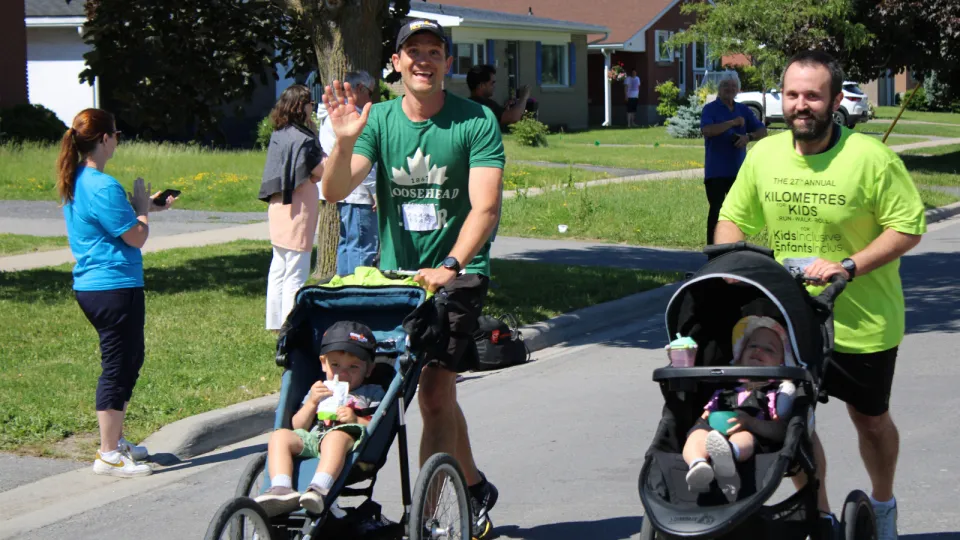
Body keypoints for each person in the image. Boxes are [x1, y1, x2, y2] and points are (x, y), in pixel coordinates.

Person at [715, 50, 927, 539]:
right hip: (788, 319)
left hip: (863, 320)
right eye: (792, 95)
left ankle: (883, 503)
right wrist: (728, 268)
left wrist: (849, 265)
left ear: (834, 101)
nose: (801, 105)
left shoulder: (871, 158)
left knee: (870, 421)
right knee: (791, 424)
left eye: (813, 95)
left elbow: (907, 227)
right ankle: (822, 517)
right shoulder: (764, 155)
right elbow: (733, 219)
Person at [319, 18, 504, 539]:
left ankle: (424, 513)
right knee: (424, 392)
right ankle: (472, 485)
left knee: (434, 393)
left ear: (447, 62)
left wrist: (449, 267)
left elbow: (485, 209)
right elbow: (335, 191)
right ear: (396, 63)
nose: (423, 60)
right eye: (413, 51)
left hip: (459, 273)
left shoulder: (476, 121)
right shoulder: (376, 119)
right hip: (397, 276)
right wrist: (342, 141)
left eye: (434, 51)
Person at [57, 108, 176, 478]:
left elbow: (112, 221)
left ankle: (117, 440)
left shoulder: (76, 177)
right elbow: (135, 237)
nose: (118, 140)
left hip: (96, 286)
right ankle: (108, 453)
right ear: (106, 139)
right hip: (113, 287)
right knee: (118, 366)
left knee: (128, 358)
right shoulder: (102, 184)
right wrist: (142, 211)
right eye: (117, 134)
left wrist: (145, 207)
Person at [254, 321, 385, 517]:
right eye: (335, 365)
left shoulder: (371, 393)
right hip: (313, 438)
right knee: (280, 436)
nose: (343, 373)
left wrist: (355, 420)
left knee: (336, 437)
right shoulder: (319, 389)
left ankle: (318, 490)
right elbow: (297, 427)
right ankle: (281, 489)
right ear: (323, 363)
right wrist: (312, 403)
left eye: (353, 367)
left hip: (348, 444)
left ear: (368, 370)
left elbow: (379, 428)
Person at [682, 316, 793, 501]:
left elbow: (779, 431)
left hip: (747, 430)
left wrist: (751, 423)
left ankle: (728, 454)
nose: (758, 350)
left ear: (781, 363)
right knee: (696, 435)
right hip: (713, 428)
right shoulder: (727, 386)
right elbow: (707, 413)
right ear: (740, 355)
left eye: (768, 349)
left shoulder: (774, 393)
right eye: (752, 346)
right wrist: (704, 420)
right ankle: (698, 464)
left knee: (744, 437)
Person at [259, 85, 325, 331]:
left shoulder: (278, 134)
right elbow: (317, 172)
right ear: (301, 106)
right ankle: (291, 324)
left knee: (278, 266)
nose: (312, 107)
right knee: (296, 270)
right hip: (298, 208)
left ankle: (274, 321)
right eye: (309, 102)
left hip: (277, 206)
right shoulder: (305, 139)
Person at [318, 71, 381, 277]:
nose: (371, 99)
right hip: (360, 193)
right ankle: (357, 291)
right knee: (362, 246)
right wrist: (375, 191)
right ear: (361, 89)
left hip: (347, 190)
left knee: (348, 244)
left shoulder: (333, 118)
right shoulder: (352, 118)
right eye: (370, 92)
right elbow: (363, 161)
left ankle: (345, 288)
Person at [700, 73, 767, 245]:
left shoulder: (743, 110)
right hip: (716, 171)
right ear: (719, 89)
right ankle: (713, 252)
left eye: (732, 86)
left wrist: (748, 137)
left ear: (737, 89)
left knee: (737, 213)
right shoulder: (710, 109)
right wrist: (732, 123)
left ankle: (733, 249)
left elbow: (763, 131)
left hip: (738, 171)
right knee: (716, 210)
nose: (729, 89)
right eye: (725, 86)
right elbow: (707, 130)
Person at [466, 64, 531, 130]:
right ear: (481, 85)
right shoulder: (486, 106)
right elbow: (514, 117)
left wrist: (505, 110)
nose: (494, 86)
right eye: (492, 83)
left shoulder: (467, 104)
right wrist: (524, 97)